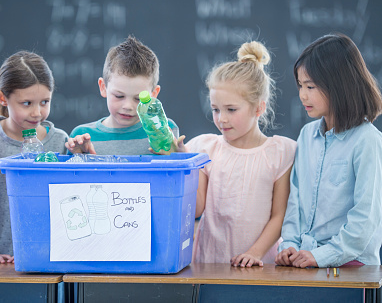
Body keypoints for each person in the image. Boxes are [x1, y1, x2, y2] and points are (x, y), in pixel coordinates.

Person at [182, 41, 297, 267]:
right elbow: (196, 208)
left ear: (258, 108)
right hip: (210, 266)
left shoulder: (280, 153)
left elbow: (279, 215)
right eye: (215, 109)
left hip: (262, 268)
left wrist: (254, 253)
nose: (221, 118)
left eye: (231, 110)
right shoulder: (205, 149)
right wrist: (182, 165)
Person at [276, 33, 382, 268]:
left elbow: (365, 218)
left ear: (338, 84)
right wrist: (289, 245)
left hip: (352, 265)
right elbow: (296, 201)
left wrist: (323, 255)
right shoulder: (306, 136)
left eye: (311, 86)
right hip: (306, 261)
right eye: (301, 86)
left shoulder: (367, 141)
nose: (303, 95)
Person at [0, 51, 68, 264]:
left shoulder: (60, 141)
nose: (37, 113)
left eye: (45, 102)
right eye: (27, 103)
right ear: (2, 98)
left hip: (45, 259)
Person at [65, 35, 179, 155]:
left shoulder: (164, 130)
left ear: (154, 95)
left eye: (138, 99)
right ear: (103, 87)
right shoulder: (83, 137)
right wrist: (80, 157)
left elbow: (180, 172)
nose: (128, 106)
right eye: (119, 96)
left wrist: (176, 155)